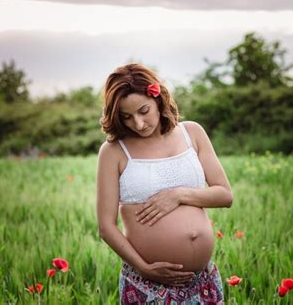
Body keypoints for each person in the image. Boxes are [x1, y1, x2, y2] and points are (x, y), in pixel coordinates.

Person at [96, 63, 233, 304]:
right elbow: (106, 227)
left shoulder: (192, 133)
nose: (138, 123)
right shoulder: (114, 151)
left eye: (143, 110)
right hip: (147, 284)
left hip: (202, 282)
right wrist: (143, 268)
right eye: (126, 117)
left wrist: (179, 195)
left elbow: (224, 195)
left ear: (157, 98)